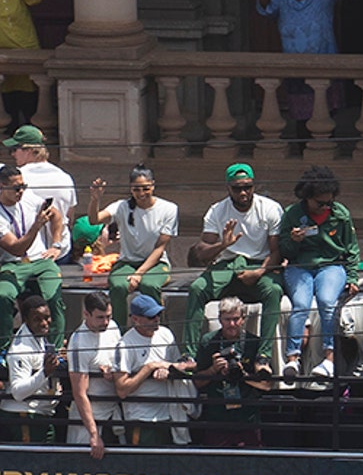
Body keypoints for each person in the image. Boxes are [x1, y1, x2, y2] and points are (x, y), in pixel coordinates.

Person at [186, 163, 285, 355]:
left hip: (259, 264)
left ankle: (264, 355)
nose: (243, 193)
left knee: (274, 290)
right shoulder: (217, 211)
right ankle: (189, 354)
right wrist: (223, 245)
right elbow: (201, 252)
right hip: (227, 265)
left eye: (247, 187)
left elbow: (276, 251)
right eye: (237, 188)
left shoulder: (270, 209)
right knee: (197, 289)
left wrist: (259, 272)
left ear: (254, 186)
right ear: (228, 188)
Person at [275, 165, 359, 380]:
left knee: (326, 301)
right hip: (300, 266)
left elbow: (351, 249)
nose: (325, 207)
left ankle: (329, 358)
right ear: (307, 197)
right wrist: (294, 242)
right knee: (301, 305)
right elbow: (284, 250)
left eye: (328, 203)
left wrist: (352, 277)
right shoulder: (293, 214)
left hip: (331, 265)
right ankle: (292, 359)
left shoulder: (340, 214)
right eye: (319, 203)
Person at [0, 166, 66, 365]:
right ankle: (3, 351)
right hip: (14, 264)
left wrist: (56, 244)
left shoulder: (29, 198)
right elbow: (16, 248)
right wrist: (37, 226)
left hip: (41, 259)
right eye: (16, 188)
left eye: (23, 186)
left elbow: (55, 214)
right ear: (2, 186)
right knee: (4, 296)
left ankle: (55, 349)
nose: (21, 191)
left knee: (54, 295)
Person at [86, 166, 177, 328]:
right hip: (127, 262)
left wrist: (139, 274)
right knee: (118, 285)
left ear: (153, 186)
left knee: (149, 285)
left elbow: (160, 247)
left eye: (146, 188)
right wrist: (95, 199)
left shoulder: (169, 209)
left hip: (156, 263)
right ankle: (118, 330)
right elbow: (94, 220)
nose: (141, 193)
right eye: (136, 189)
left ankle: (155, 328)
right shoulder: (122, 206)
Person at [112, 293, 195, 447]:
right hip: (142, 420)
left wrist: (168, 371)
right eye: (151, 317)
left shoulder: (166, 334)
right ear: (135, 319)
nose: (156, 320)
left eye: (158, 315)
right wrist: (149, 367)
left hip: (170, 417)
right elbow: (122, 389)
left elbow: (177, 365)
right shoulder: (125, 345)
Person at [192, 296, 271, 448]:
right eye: (227, 319)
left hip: (247, 418)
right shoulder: (208, 341)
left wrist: (243, 375)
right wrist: (213, 369)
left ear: (243, 319)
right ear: (220, 319)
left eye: (236, 319)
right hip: (217, 418)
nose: (232, 324)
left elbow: (267, 385)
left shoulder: (253, 343)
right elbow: (197, 382)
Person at [1, 293, 65, 443]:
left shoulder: (39, 337)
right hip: (24, 415)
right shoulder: (20, 349)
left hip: (41, 414)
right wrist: (45, 373)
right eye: (37, 319)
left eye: (47, 317)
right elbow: (17, 392)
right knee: (30, 463)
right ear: (26, 320)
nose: (44, 323)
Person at [66, 291, 121, 460]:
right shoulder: (78, 343)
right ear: (86, 314)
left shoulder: (113, 327)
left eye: (108, 317)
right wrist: (93, 433)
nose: (105, 322)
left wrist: (114, 371)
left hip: (115, 412)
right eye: (100, 318)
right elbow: (79, 393)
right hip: (90, 418)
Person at [6, 126, 76, 260]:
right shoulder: (64, 176)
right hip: (60, 249)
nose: (13, 154)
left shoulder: (18, 177)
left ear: (30, 151)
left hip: (30, 253)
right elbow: (69, 215)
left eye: (15, 149)